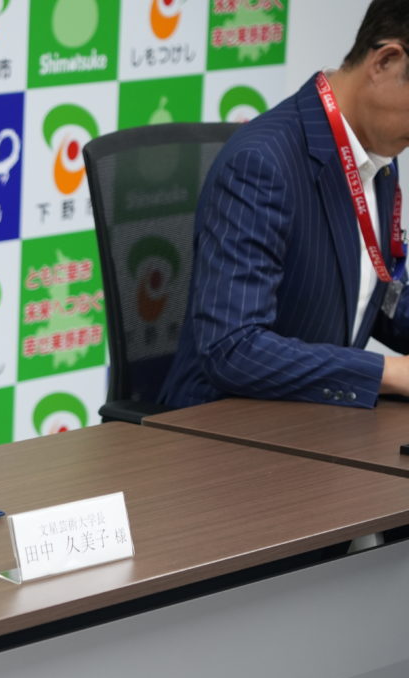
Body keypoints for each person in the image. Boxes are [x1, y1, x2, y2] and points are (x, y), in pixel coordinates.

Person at [160, 0, 409, 409]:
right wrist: (389, 372)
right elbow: (232, 346)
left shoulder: (379, 154)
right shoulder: (261, 163)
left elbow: (371, 295)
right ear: (385, 61)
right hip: (219, 424)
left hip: (317, 418)